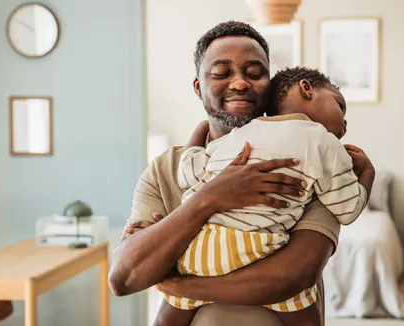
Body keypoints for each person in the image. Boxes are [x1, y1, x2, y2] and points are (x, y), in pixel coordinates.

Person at [107, 21, 376, 326]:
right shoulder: (165, 168)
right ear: (199, 87)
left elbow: (294, 274)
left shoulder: (301, 159)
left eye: (254, 74)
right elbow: (124, 277)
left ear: (269, 85)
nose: (239, 84)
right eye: (222, 73)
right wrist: (209, 199)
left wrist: (174, 281)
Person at [155, 66, 367, 326]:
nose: (345, 122)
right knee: (307, 315)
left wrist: (199, 132)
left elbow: (187, 174)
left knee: (167, 320)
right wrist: (367, 172)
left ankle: (181, 291)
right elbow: (348, 209)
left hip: (201, 249)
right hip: (261, 254)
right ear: (307, 89)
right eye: (340, 105)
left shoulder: (239, 134)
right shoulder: (324, 142)